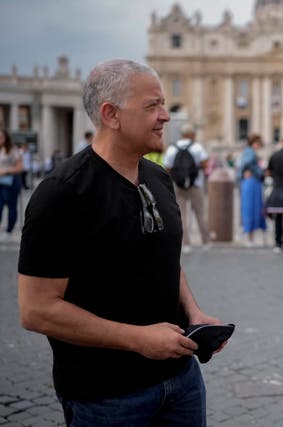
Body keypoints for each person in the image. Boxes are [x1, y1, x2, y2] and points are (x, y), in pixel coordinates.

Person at [18, 59, 225, 426]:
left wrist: (193, 314)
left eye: (163, 104)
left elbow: (162, 257)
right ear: (111, 114)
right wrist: (138, 339)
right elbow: (37, 310)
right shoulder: (62, 194)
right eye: (152, 106)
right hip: (106, 395)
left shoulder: (158, 178)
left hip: (181, 380)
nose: (165, 116)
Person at [163, 123, 211, 252]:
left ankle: (186, 243)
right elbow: (205, 164)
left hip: (178, 185)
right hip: (196, 184)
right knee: (200, 214)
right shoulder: (197, 147)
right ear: (192, 135)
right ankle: (205, 241)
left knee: (181, 215)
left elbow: (167, 168)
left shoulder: (172, 148)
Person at [236, 133, 267, 246]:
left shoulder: (248, 151)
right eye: (258, 143)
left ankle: (250, 237)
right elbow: (246, 163)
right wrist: (256, 171)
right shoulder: (250, 152)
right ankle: (249, 237)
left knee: (252, 208)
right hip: (252, 182)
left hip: (251, 182)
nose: (259, 146)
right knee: (251, 208)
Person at [0, 129, 24, 240]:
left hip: (10, 183)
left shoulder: (13, 150)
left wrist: (6, 171)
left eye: (1, 137)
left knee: (11, 207)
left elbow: (20, 167)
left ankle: (9, 231)